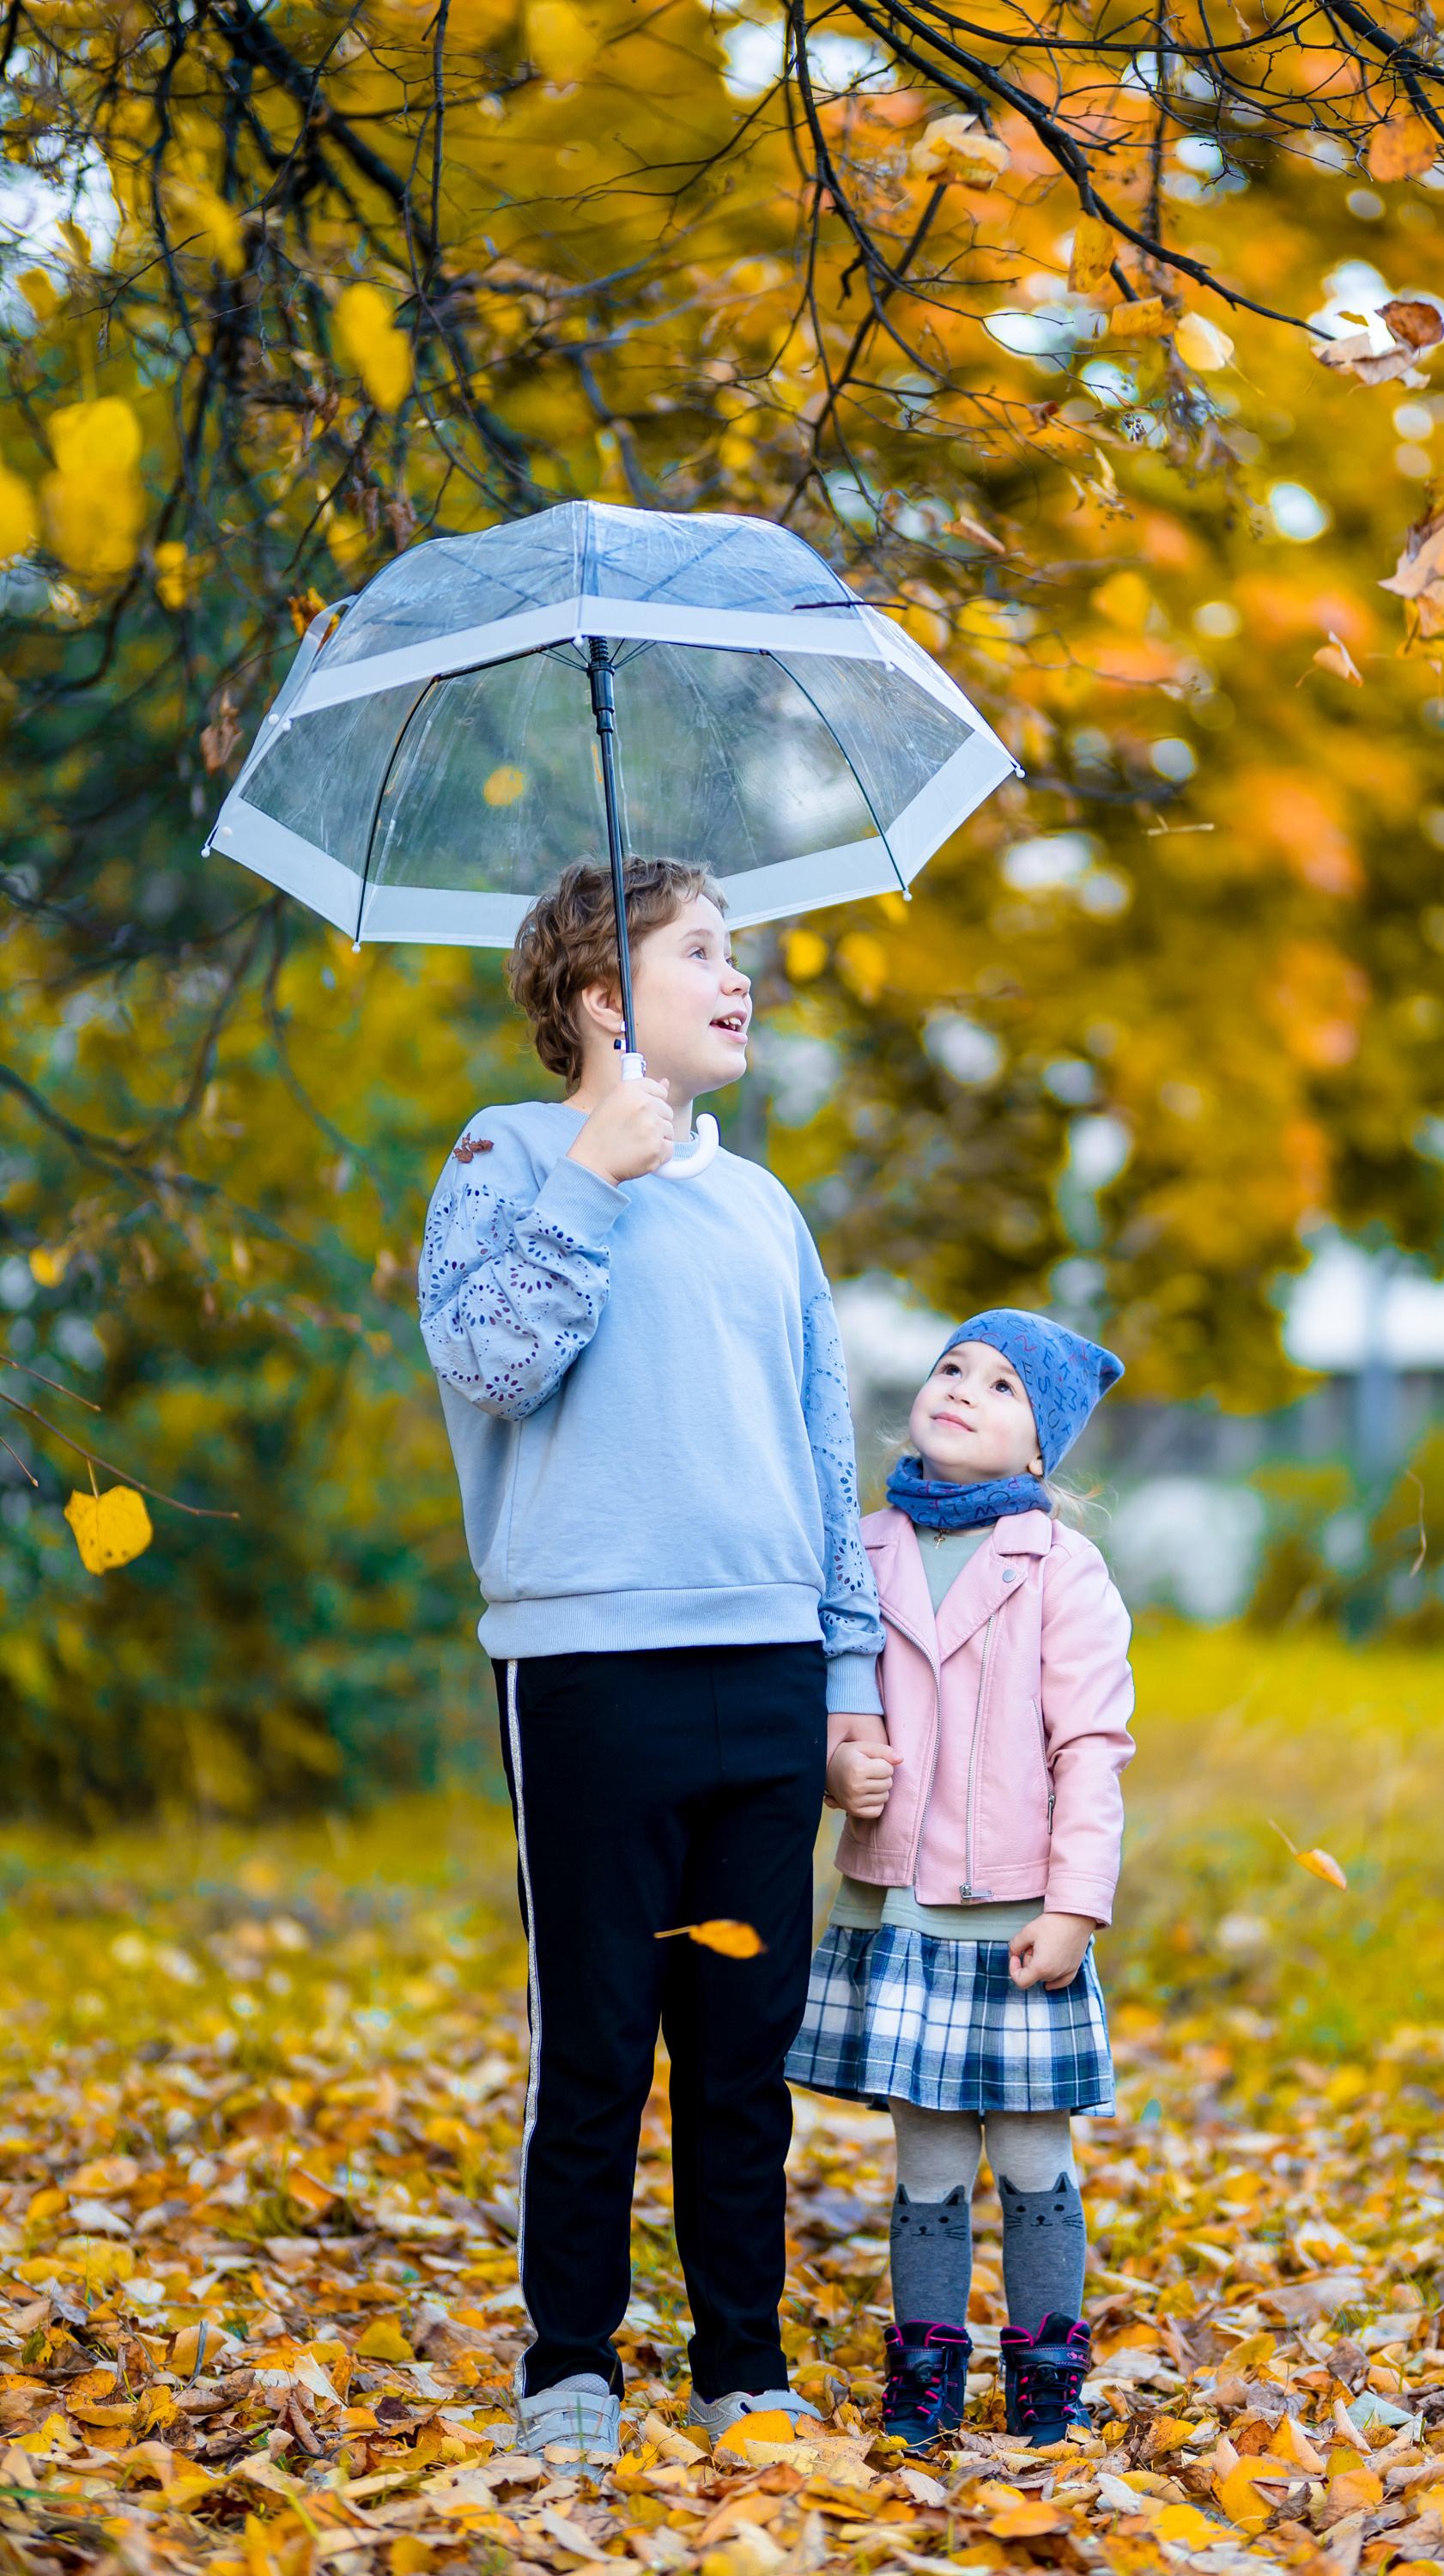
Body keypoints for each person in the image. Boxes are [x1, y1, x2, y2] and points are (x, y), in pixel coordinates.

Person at [418, 857, 883, 2462]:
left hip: (761, 1672)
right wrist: (594, 1183)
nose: (740, 978)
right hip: (591, 1673)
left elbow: (826, 1459)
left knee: (742, 2053)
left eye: (738, 952)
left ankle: (741, 2365)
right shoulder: (507, 1157)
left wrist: (849, 1683)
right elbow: (488, 1362)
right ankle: (571, 2367)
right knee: (601, 2033)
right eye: (705, 950)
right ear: (605, 995)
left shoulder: (764, 1207)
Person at [787, 1310, 1134, 2449]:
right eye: (953, 1368)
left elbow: (1091, 1746)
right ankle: (926, 2373)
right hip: (904, 1905)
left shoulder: (1062, 1571)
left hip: (1018, 1911)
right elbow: (837, 1693)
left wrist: (1076, 1905)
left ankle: (1045, 2370)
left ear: (1042, 1449)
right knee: (928, 2154)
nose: (964, 1390)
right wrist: (840, 1770)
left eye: (1002, 1385)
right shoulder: (866, 1548)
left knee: (1032, 2153)